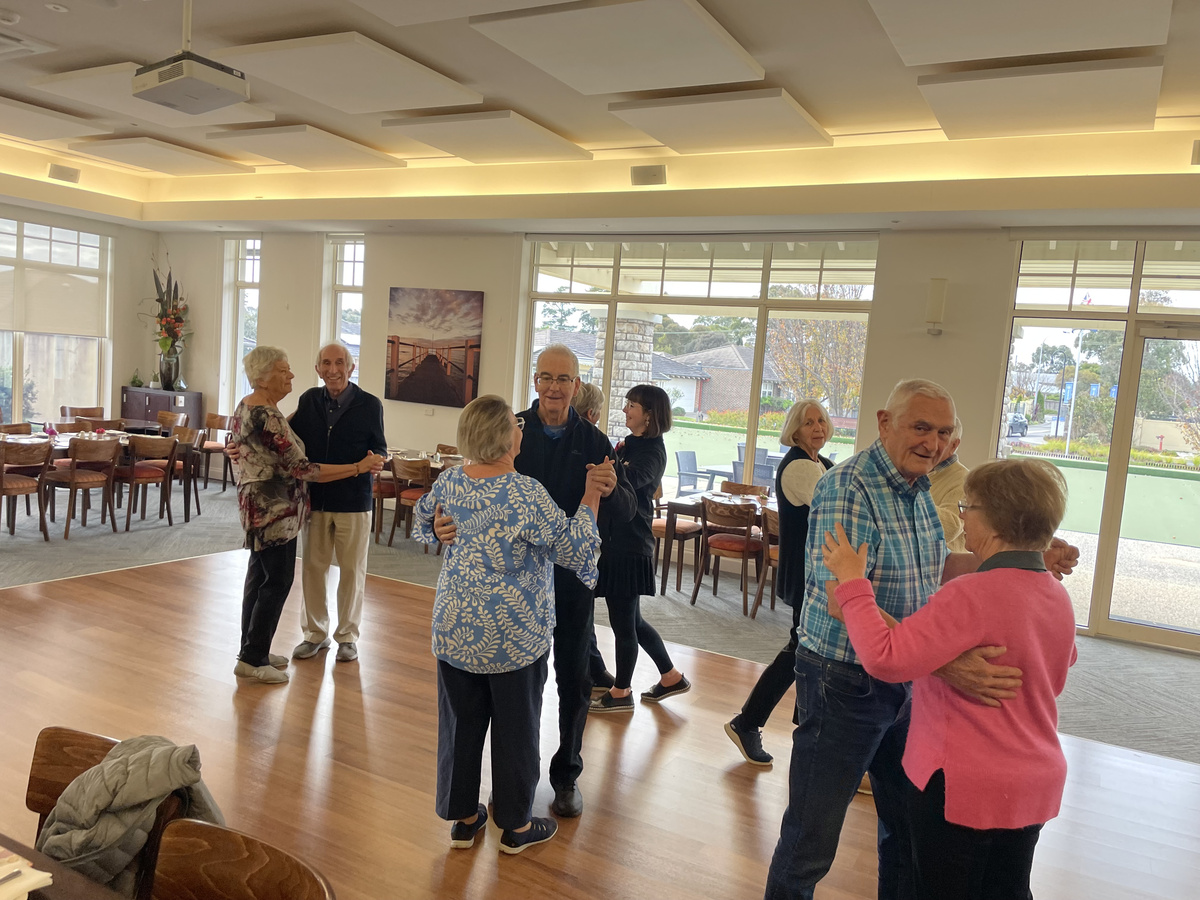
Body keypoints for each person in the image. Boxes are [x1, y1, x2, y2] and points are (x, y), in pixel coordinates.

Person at [762, 378, 1079, 900]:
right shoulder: (847, 487)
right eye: (922, 427)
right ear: (885, 423)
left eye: (944, 432)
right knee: (812, 838)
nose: (933, 442)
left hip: (905, 679)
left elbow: (939, 567)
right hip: (845, 680)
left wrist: (1021, 558)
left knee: (904, 828)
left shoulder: (920, 489)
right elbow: (845, 596)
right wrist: (944, 663)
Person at [820, 458, 1076, 899]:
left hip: (962, 785)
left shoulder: (969, 594)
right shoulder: (1057, 594)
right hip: (1033, 780)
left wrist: (852, 582)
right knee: (1007, 890)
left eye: (966, 507)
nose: (962, 516)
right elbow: (1061, 662)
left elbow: (884, 657)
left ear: (994, 520)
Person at [434, 344, 632, 819]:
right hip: (517, 597)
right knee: (515, 699)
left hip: (570, 583)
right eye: (546, 377)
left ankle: (565, 774)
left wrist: (610, 490)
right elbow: (444, 509)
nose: (554, 387)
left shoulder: (598, 441)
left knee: (574, 679)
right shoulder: (507, 430)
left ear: (577, 386)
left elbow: (626, 513)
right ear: (535, 381)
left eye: (564, 379)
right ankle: (511, 799)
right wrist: (439, 526)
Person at [413, 395, 605, 854]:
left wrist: (437, 528)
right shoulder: (525, 493)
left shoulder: (451, 481)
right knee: (517, 729)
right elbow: (575, 549)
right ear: (504, 436)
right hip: (512, 635)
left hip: (456, 627)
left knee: (459, 724)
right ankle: (515, 827)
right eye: (516, 425)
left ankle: (463, 819)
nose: (523, 430)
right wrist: (592, 495)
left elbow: (422, 521)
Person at [230, 346, 382, 685]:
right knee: (277, 581)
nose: (291, 376)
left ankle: (253, 650)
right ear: (265, 378)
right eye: (284, 371)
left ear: (351, 367)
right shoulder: (276, 411)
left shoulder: (256, 408)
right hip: (275, 511)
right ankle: (256, 655)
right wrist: (357, 467)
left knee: (261, 579)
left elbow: (251, 441)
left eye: (340, 362)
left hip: (277, 508)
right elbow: (302, 467)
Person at [724, 399, 834, 763]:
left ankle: (791, 725)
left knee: (805, 648)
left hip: (814, 574)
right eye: (808, 422)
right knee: (802, 649)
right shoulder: (801, 468)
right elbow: (835, 510)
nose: (817, 427)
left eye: (821, 420)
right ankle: (752, 721)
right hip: (808, 575)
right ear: (795, 430)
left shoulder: (819, 464)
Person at [589, 384, 690, 713]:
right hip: (619, 541)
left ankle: (621, 692)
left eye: (631, 405)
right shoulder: (630, 444)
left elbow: (629, 482)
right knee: (633, 621)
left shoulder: (652, 451)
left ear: (649, 414)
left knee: (623, 624)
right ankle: (671, 676)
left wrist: (607, 467)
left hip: (630, 545)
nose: (625, 410)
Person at [288, 342, 387, 664]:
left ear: (351, 367)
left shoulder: (370, 405)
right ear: (317, 369)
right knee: (313, 570)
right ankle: (314, 634)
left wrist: (378, 460)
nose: (333, 369)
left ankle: (347, 637)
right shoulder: (308, 401)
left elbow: (380, 448)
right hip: (315, 500)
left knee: (351, 572)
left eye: (340, 363)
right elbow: (288, 439)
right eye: (327, 363)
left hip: (354, 501)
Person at [929, 417, 968, 553]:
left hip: (945, 570)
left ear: (954, 445)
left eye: (942, 436)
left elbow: (950, 528)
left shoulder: (965, 481)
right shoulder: (919, 473)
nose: (930, 444)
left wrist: (908, 497)